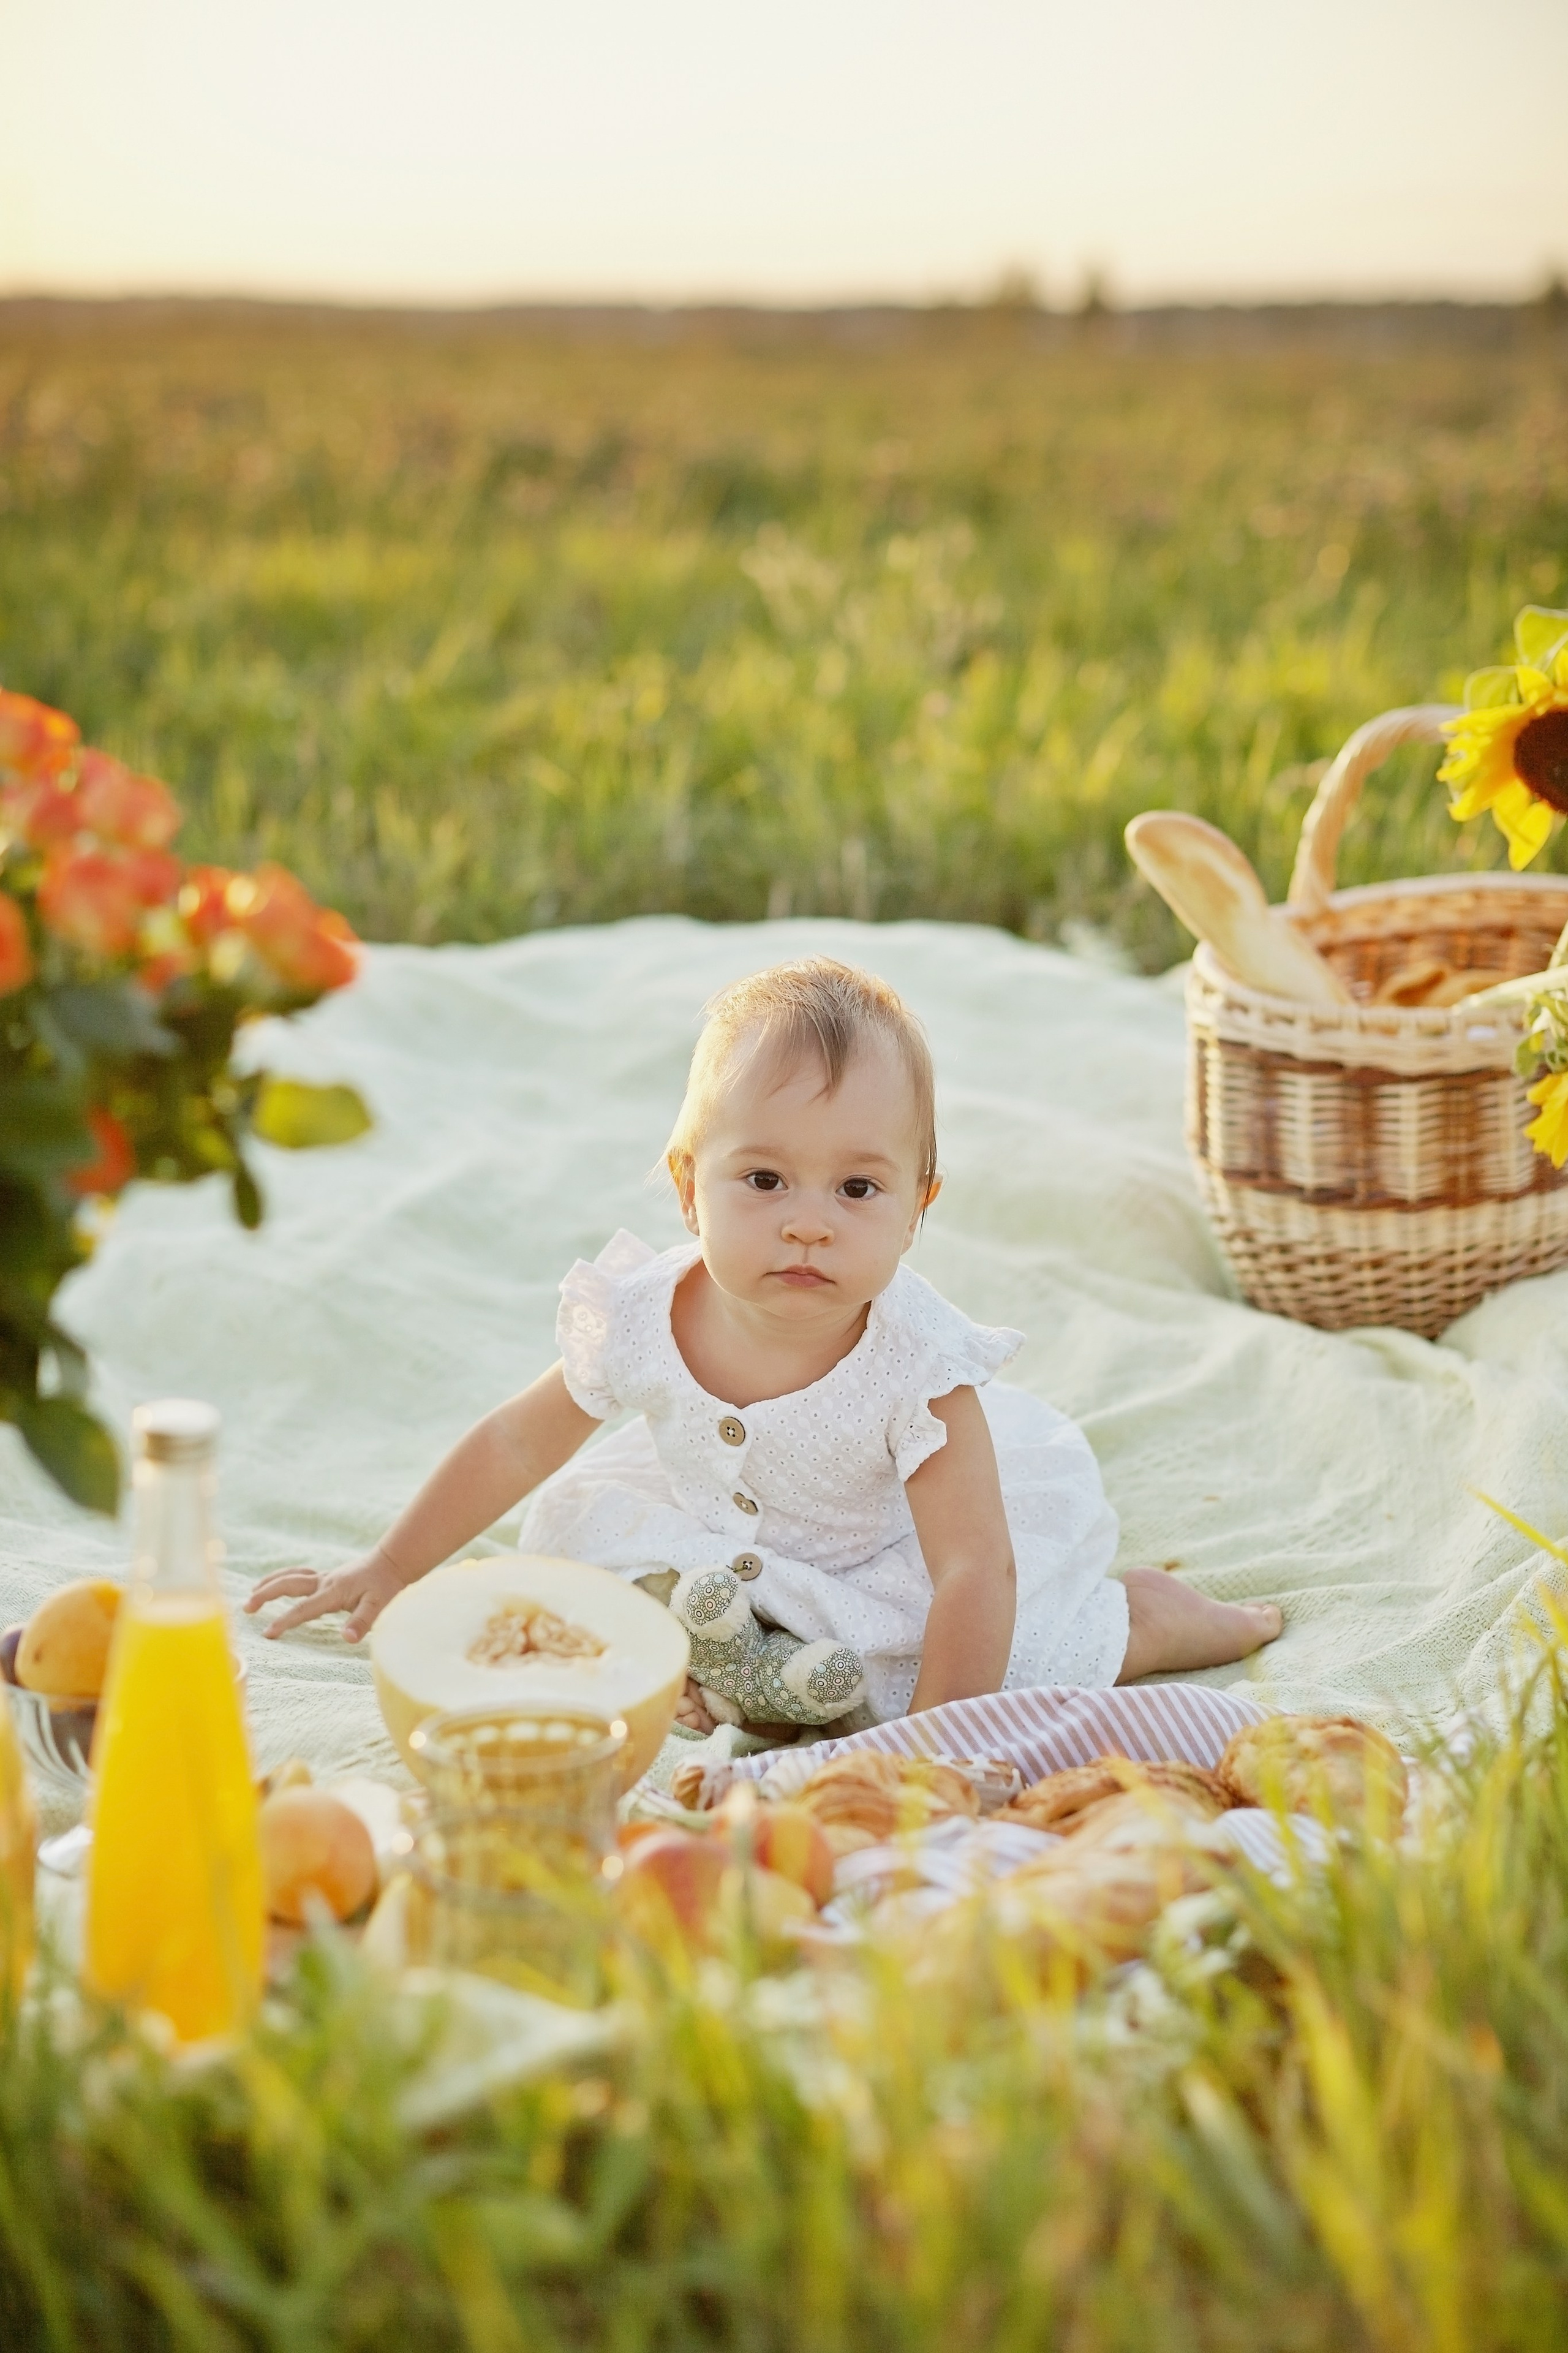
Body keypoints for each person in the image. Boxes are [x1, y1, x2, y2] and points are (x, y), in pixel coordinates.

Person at [247, 956, 1281, 1723]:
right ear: (687, 1185)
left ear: (919, 1206)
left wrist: (926, 1751)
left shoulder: (918, 1371)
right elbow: (521, 1443)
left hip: (889, 1553)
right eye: (765, 1179)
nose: (808, 1220)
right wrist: (390, 1565)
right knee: (581, 1578)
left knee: (1020, 1655)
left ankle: (1156, 1615)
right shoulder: (647, 1312)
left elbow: (973, 1569)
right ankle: (734, 1663)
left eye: (859, 1187)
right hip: (714, 1534)